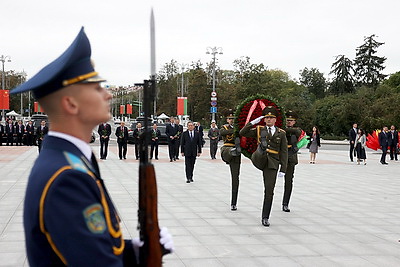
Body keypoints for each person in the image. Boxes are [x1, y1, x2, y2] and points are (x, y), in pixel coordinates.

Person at [10, 28, 173, 266]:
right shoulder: (66, 176)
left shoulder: (68, 159)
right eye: (97, 88)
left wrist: (133, 251)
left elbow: (87, 245)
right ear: (71, 103)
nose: (107, 95)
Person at [239, 106, 288, 227]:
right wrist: (252, 123)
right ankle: (261, 148)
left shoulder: (281, 133)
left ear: (275, 119)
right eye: (267, 118)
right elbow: (242, 133)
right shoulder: (259, 129)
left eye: (271, 118)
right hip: (260, 159)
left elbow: (284, 152)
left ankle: (265, 216)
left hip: (272, 163)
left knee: (269, 190)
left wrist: (283, 169)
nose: (269, 120)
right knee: (260, 149)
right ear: (264, 119)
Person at [220, 114, 241, 211]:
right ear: (227, 120)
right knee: (228, 151)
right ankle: (233, 151)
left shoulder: (238, 127)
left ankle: (234, 203)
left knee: (235, 179)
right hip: (227, 148)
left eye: (233, 119)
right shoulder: (224, 127)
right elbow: (222, 132)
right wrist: (236, 130)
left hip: (237, 153)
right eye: (230, 119)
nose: (231, 120)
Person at [282, 111, 302, 212]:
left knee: (289, 181)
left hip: (290, 157)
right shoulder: (281, 129)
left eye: (291, 121)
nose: (289, 122)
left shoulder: (297, 130)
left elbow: (298, 133)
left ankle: (285, 203)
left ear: (294, 122)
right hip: (280, 156)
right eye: (287, 120)